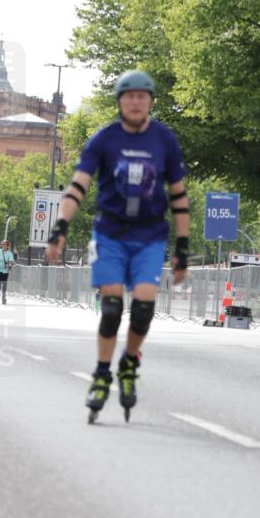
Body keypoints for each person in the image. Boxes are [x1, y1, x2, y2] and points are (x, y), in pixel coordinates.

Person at [45, 69, 189, 418]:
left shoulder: (164, 140)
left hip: (149, 236)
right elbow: (77, 185)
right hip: (110, 234)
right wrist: (59, 227)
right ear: (120, 102)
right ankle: (101, 372)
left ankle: (128, 362)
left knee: (142, 309)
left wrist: (182, 247)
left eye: (143, 96)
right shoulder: (103, 139)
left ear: (151, 102)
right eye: (130, 96)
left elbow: (179, 197)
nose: (136, 102)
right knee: (111, 310)